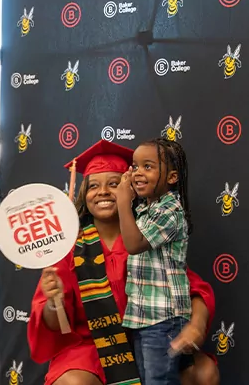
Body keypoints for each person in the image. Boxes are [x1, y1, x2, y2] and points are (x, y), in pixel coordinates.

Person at [27, 140, 219, 385]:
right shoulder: (69, 247)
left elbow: (191, 289)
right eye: (93, 185)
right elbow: (56, 325)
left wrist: (196, 326)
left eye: (115, 184)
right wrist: (54, 302)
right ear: (84, 194)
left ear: (131, 189)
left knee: (203, 373)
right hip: (91, 347)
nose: (104, 192)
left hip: (147, 339)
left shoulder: (147, 236)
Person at [116, 138, 192, 384]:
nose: (138, 172)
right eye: (135, 166)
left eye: (148, 167)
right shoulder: (144, 211)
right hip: (143, 317)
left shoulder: (170, 211)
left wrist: (122, 202)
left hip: (164, 319)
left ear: (171, 178)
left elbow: (134, 245)